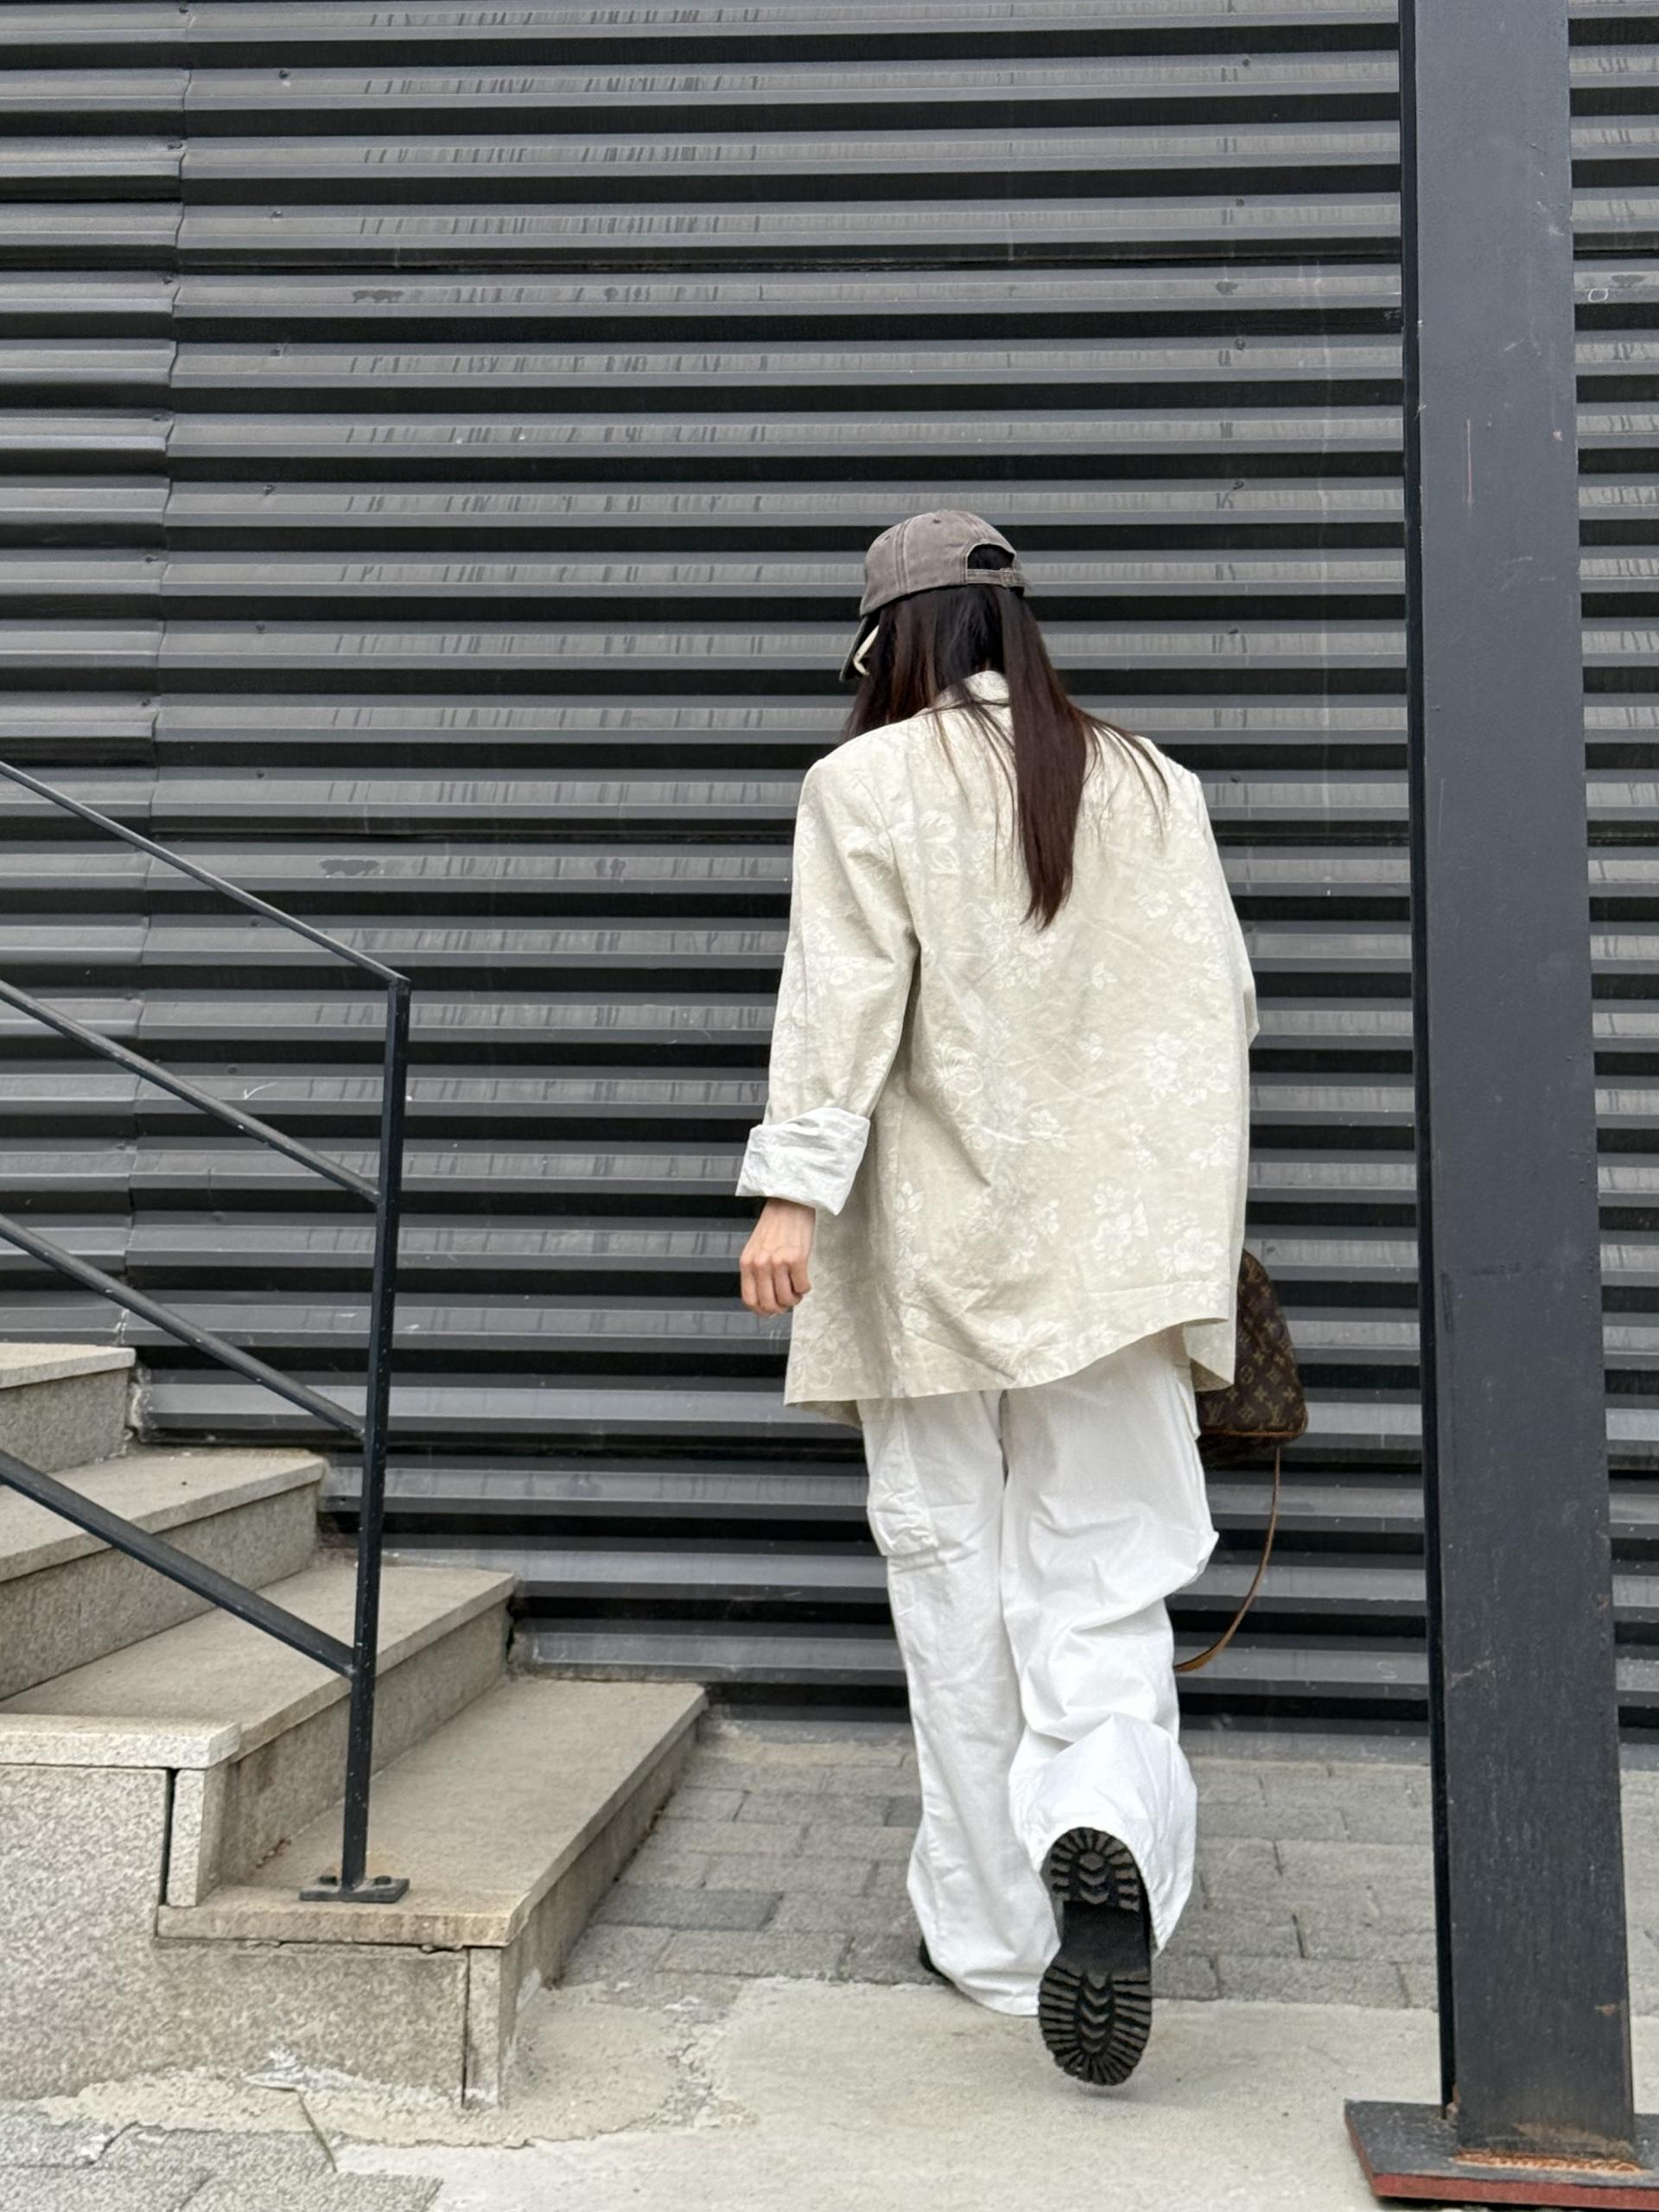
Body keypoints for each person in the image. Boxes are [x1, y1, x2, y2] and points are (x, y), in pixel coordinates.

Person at [734, 510, 1257, 2088]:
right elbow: (1224, 1009)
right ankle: (1105, 1826)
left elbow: (841, 1003)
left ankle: (994, 1940)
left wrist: (788, 1196)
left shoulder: (865, 785)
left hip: (934, 1264)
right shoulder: (1158, 785)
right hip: (1123, 1263)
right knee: (1103, 1584)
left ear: (885, 641)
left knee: (953, 1593)